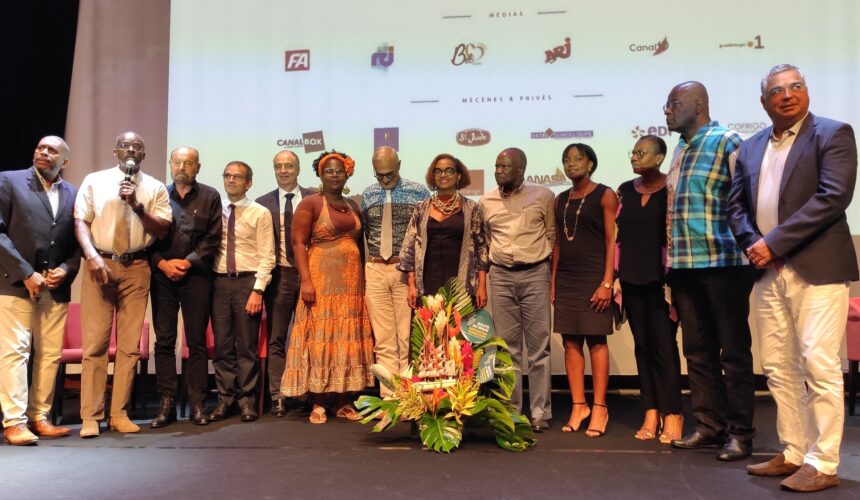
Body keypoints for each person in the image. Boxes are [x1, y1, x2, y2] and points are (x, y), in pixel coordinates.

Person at [729, 64, 857, 492]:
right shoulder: (749, 148)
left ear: (807, 92)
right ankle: (794, 452)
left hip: (816, 269)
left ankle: (824, 462)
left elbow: (833, 196)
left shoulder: (833, 134)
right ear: (764, 102)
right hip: (767, 272)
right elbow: (736, 208)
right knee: (779, 368)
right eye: (777, 91)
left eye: (796, 87)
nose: (787, 95)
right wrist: (754, 244)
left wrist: (775, 243)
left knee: (818, 365)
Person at [662, 82, 756, 461]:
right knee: (698, 351)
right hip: (684, 266)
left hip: (724, 263)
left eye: (673, 103)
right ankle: (709, 426)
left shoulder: (728, 141)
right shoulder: (680, 149)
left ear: (698, 104)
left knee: (733, 352)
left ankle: (741, 433)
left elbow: (749, 198)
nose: (666, 110)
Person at [74, 131, 172, 438]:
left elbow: (163, 229)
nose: (131, 150)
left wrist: (137, 205)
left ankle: (119, 413)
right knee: (96, 344)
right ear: (116, 150)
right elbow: (80, 221)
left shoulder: (155, 187)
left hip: (137, 266)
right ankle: (91, 416)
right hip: (100, 264)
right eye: (126, 145)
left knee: (129, 347)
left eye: (138, 147)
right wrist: (90, 255)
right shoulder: (95, 180)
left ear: (143, 155)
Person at [281, 150, 374, 424]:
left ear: (348, 174)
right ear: (320, 174)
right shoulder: (310, 203)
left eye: (339, 170)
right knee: (320, 336)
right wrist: (306, 281)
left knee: (345, 340)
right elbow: (298, 243)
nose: (334, 175)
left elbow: (359, 246)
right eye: (328, 171)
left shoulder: (353, 205)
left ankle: (343, 401)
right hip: (321, 281)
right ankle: (319, 402)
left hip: (350, 287)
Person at [0, 136, 80, 445]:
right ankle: (14, 422)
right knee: (15, 352)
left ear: (65, 162)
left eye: (52, 151)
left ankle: (40, 417)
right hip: (15, 282)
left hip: (54, 288)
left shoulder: (73, 192)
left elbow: (77, 242)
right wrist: (26, 272)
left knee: (48, 354)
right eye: (40, 148)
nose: (44, 153)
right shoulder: (9, 181)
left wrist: (67, 269)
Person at [480, 147, 554, 432]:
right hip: (500, 277)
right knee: (507, 349)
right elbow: (486, 242)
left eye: (504, 166)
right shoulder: (485, 201)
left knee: (539, 349)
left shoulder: (543, 196)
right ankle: (512, 410)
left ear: (521, 169)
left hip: (535, 273)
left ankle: (540, 412)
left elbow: (551, 236)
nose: (498, 171)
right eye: (497, 166)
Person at [148, 147, 222, 428]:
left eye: (188, 163)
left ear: (198, 167)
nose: (182, 167)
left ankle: (196, 403)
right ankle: (166, 403)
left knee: (196, 342)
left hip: (197, 277)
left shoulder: (210, 196)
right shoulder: (157, 194)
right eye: (177, 162)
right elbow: (147, 237)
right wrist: (163, 264)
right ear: (170, 164)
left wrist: (188, 263)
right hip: (162, 277)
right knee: (164, 341)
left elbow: (213, 238)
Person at [616, 135, 683, 443]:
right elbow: (617, 239)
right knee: (642, 346)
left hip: (661, 282)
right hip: (631, 279)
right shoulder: (625, 191)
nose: (634, 157)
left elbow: (675, 237)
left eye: (642, 153)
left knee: (664, 348)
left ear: (659, 158)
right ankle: (651, 411)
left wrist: (673, 283)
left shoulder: (671, 190)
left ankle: (673, 413)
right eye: (633, 152)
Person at [551, 143, 618, 437]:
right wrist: (553, 282)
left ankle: (600, 407)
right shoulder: (560, 199)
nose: (571, 163)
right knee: (570, 342)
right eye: (567, 160)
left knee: (597, 341)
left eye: (578, 158)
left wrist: (607, 283)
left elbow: (611, 242)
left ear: (591, 163)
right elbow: (557, 244)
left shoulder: (605, 194)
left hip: (594, 277)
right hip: (566, 277)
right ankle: (579, 405)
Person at [208, 161, 275, 423]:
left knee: (246, 346)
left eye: (238, 177)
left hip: (248, 283)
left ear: (249, 183)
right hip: (219, 283)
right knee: (223, 346)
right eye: (227, 176)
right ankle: (225, 400)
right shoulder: (215, 210)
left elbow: (267, 255)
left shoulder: (260, 212)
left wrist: (258, 290)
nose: (232, 180)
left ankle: (247, 399)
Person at [360, 147, 429, 397]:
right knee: (383, 338)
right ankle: (389, 398)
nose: (385, 180)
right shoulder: (368, 194)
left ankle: (409, 395)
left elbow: (423, 234)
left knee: (406, 336)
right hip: (376, 268)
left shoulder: (419, 191)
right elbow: (367, 231)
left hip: (404, 270)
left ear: (399, 165)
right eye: (380, 175)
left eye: (389, 174)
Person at [255, 150, 315, 417]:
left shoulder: (314, 197)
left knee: (309, 337)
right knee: (277, 337)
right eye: (278, 166)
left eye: (288, 165)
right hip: (279, 275)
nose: (283, 170)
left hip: (310, 275)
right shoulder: (262, 202)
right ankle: (277, 395)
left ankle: (307, 392)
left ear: (298, 168)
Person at [398, 154, 488, 308]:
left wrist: (482, 286)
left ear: (459, 175)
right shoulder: (421, 208)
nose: (443, 175)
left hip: (462, 284)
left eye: (449, 171)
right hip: (427, 283)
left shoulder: (471, 208)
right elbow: (409, 248)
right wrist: (412, 284)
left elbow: (481, 249)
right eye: (438, 171)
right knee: (428, 331)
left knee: (456, 331)